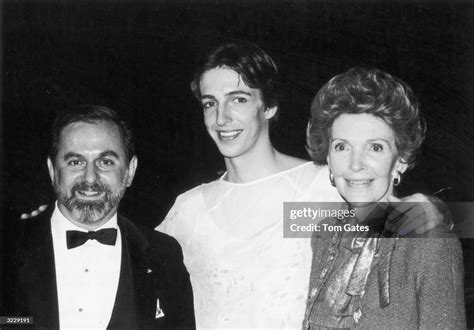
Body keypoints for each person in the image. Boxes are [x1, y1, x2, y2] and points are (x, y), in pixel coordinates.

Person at [155, 42, 448, 328]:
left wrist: (430, 209)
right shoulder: (190, 209)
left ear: (269, 106)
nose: (222, 117)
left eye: (239, 99)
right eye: (210, 103)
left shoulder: (322, 185)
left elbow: (411, 227)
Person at [3, 105, 195, 329]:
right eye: (76, 162)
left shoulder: (164, 255)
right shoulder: (7, 245)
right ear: (53, 170)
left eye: (106, 162)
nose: (90, 177)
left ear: (130, 171)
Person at [303, 68, 465, 328]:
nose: (356, 164)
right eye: (342, 146)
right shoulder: (324, 236)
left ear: (400, 160)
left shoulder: (428, 240)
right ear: (329, 159)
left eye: (375, 147)